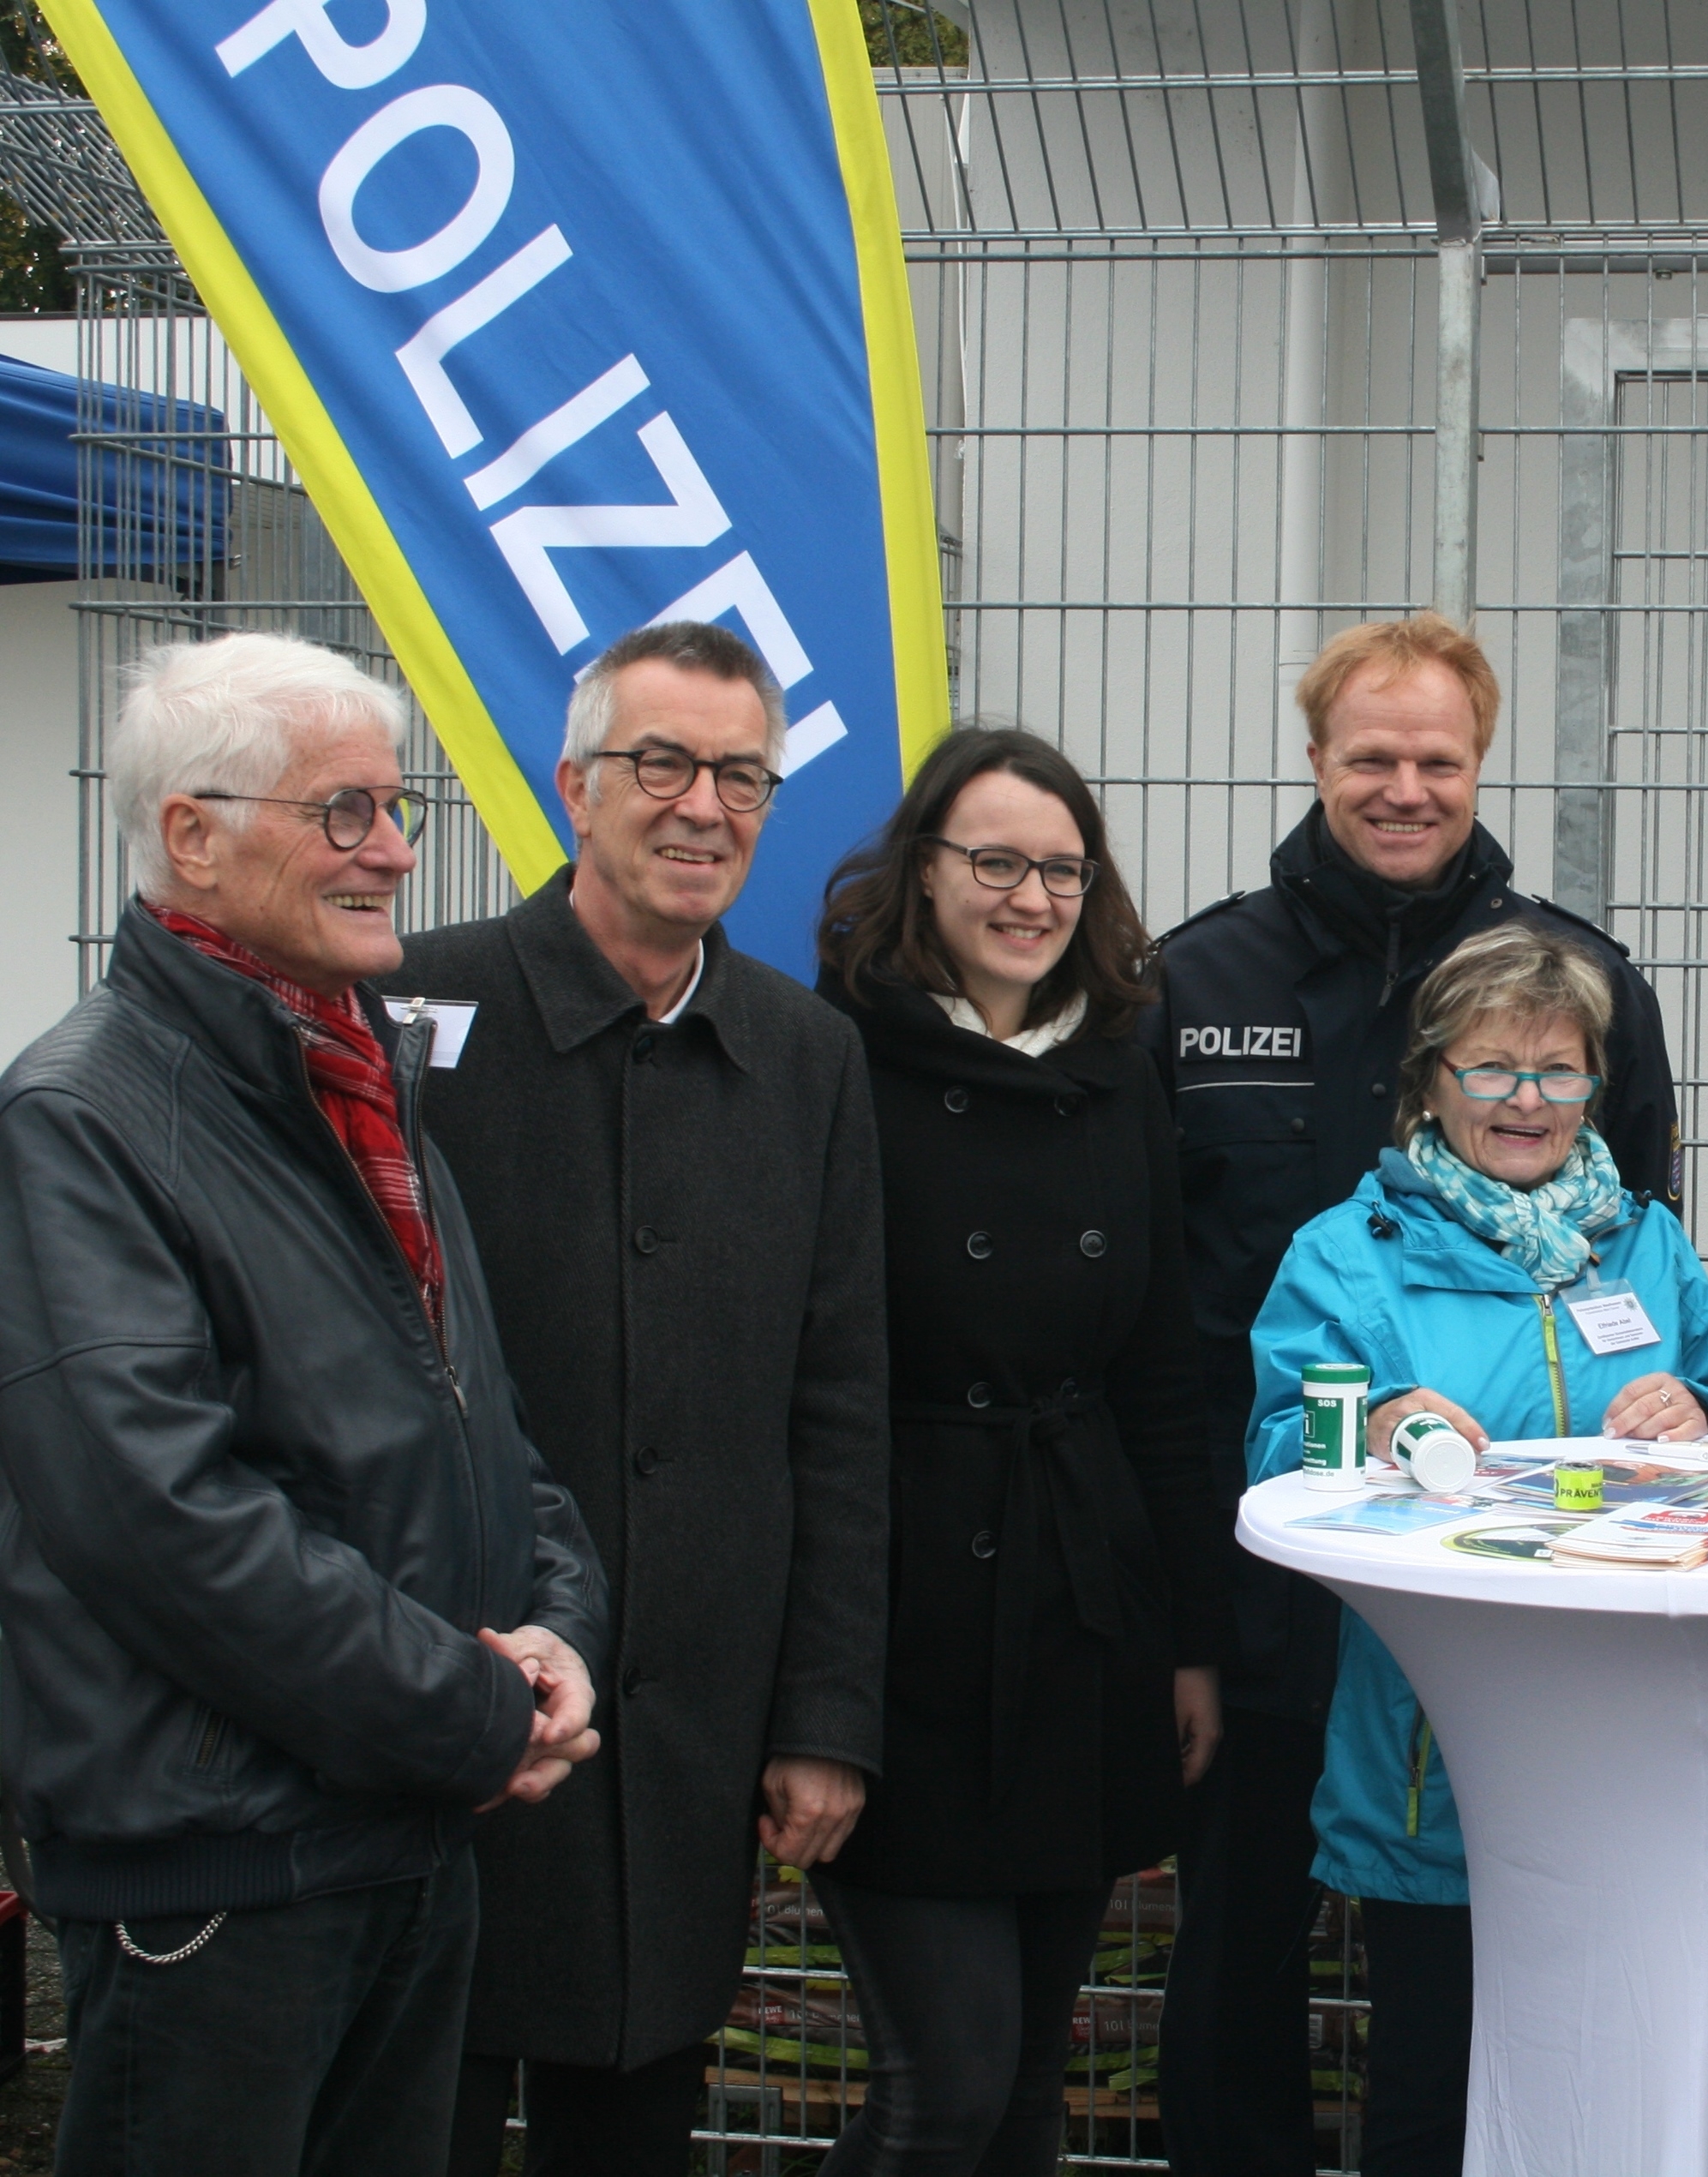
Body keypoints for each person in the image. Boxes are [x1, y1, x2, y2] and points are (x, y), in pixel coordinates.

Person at [0, 633, 608, 2177]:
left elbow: (478, 1422)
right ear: (190, 835)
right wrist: (474, 1707)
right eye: (344, 812)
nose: (395, 850)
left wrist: (556, 1627)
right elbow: (164, 1521)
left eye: (394, 809)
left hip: (396, 1829)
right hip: (223, 1876)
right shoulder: (79, 1120)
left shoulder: (353, 1074)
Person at [1148, 614, 1680, 2175]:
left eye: (1435, 759)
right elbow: (1156, 1307)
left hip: (1505, 1598)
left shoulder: (1573, 974)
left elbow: (1625, 1240)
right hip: (1270, 1574)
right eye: (1370, 757)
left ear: (1478, 764)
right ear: (1316, 763)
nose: (1403, 788)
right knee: (1239, 1951)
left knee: (1478, 1972)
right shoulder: (1198, 977)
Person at [410, 621, 891, 2177]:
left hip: (689, 1730)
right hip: (451, 1706)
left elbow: (841, 1399)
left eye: (741, 774)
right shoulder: (416, 1014)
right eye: (662, 763)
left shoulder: (808, 1056)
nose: (703, 805)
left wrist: (825, 1713)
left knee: (631, 2126)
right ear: (573, 785)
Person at [1243, 922, 1708, 2176]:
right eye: (1489, 1069)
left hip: (1641, 1750)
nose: (1526, 1101)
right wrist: (1374, 1422)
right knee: (1434, 2089)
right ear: (1427, 1081)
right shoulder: (1343, 1256)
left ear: (1595, 1082)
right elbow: (1274, 1460)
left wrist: (1699, 1414)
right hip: (1436, 1758)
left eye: (1557, 1069)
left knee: (1616, 2082)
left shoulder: (1644, 1239)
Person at [807, 728, 1233, 2174]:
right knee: (947, 2081)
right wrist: (813, 1694)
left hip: (1076, 1606)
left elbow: (1159, 1376)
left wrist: (1186, 1639)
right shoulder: (830, 1058)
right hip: (902, 1621)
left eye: (1061, 867)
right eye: (994, 861)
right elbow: (803, 1387)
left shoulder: (1119, 1060)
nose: (1031, 896)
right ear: (920, 872)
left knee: (1029, 2089)